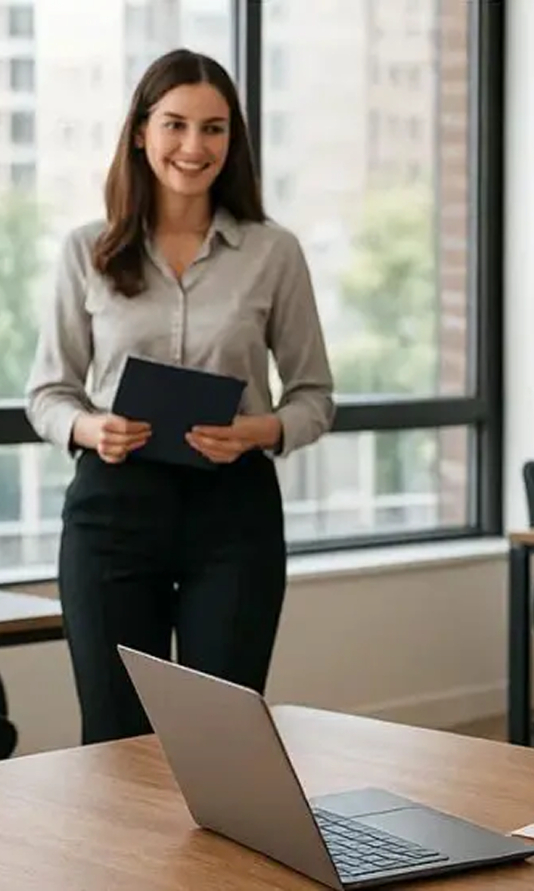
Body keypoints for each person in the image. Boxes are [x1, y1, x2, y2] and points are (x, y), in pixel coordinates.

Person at [24, 49, 334, 745]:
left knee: (221, 739)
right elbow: (47, 392)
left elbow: (315, 394)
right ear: (141, 131)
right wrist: (88, 428)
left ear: (234, 140)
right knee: (112, 736)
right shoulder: (87, 249)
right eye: (175, 124)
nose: (194, 147)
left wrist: (258, 430)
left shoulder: (272, 252)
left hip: (234, 516)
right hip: (112, 513)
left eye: (215, 129)